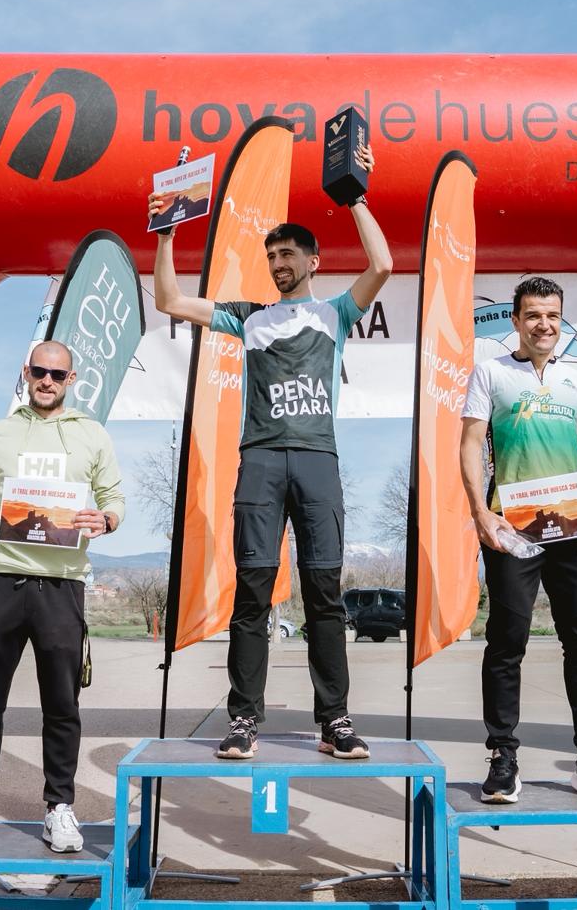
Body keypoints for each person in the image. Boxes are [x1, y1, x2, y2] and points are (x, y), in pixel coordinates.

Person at [149, 142, 390, 761]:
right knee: (253, 593)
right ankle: (243, 719)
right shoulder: (247, 317)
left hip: (316, 460)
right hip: (259, 459)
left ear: (312, 259)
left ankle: (334, 719)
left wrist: (356, 199)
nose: (279, 262)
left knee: (324, 596)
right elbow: (171, 302)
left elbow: (383, 264)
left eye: (288, 253)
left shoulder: (336, 312)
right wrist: (169, 232)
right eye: (272, 255)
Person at [0, 340, 125, 855]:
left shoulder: (92, 436)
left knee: (62, 707)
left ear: (71, 379)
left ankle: (59, 808)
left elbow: (113, 499)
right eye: (39, 371)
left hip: (62, 587)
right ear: (26, 372)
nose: (48, 380)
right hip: (3, 583)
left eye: (58, 373)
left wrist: (107, 519)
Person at [459, 276, 577, 805]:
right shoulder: (490, 373)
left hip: (574, 529)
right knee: (506, 642)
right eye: (534, 315)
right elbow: (468, 446)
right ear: (515, 320)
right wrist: (480, 516)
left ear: (562, 321)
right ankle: (503, 757)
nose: (544, 324)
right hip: (513, 528)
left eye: (553, 316)